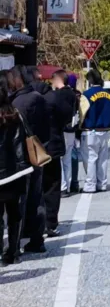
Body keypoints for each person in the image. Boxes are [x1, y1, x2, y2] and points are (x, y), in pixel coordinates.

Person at [7, 66, 50, 253]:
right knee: (37, 197)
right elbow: (47, 127)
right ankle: (37, 238)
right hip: (36, 152)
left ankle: (16, 243)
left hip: (19, 158)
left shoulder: (15, 103)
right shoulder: (38, 97)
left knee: (20, 201)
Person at [0, 90, 33, 266]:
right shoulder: (15, 114)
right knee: (14, 214)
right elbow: (25, 138)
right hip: (16, 171)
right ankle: (13, 252)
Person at [42, 70, 75, 237]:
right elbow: (67, 116)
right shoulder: (60, 97)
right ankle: (50, 223)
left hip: (35, 147)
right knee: (53, 183)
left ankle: (37, 224)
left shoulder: (41, 98)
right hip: (54, 143)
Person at [79, 69, 110, 194]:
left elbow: (82, 113)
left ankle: (90, 185)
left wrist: (79, 127)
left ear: (89, 80)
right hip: (105, 130)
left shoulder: (87, 94)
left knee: (90, 158)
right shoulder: (108, 94)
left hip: (90, 130)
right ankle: (102, 183)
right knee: (102, 159)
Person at [62, 74, 81, 196]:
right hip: (74, 130)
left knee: (63, 158)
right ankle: (73, 183)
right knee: (72, 157)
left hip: (64, 129)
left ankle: (64, 185)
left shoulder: (61, 94)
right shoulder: (77, 95)